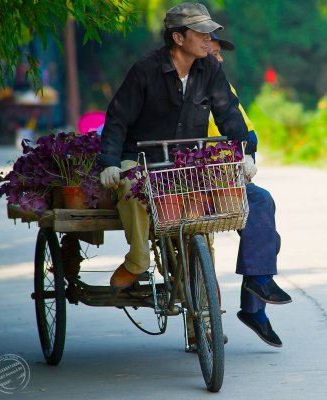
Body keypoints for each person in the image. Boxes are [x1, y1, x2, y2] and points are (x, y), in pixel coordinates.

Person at [98, 2, 290, 344]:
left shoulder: (210, 71)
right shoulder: (145, 70)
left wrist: (244, 152)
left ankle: (208, 317)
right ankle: (138, 259)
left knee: (248, 204)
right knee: (131, 189)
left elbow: (230, 115)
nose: (207, 39)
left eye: (209, 33)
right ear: (178, 37)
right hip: (142, 158)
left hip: (190, 162)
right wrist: (110, 162)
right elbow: (117, 120)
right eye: (200, 33)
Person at [206, 31, 292, 347]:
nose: (220, 58)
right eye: (213, 52)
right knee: (262, 206)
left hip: (224, 178)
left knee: (266, 231)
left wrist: (246, 155)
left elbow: (245, 131)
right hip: (184, 182)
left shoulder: (221, 86)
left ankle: (254, 303)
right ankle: (256, 295)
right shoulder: (181, 87)